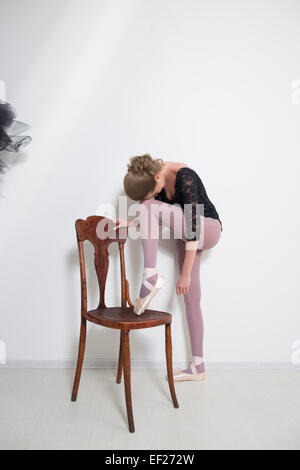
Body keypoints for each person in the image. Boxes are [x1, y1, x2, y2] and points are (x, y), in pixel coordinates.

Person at [115, 154, 223, 382]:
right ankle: (198, 366)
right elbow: (158, 215)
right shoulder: (155, 181)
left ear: (156, 176)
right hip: (186, 233)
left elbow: (192, 225)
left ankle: (149, 275)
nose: (155, 195)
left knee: (147, 207)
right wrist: (131, 223)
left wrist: (184, 274)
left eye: (152, 192)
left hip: (207, 229)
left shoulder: (186, 176)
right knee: (191, 298)